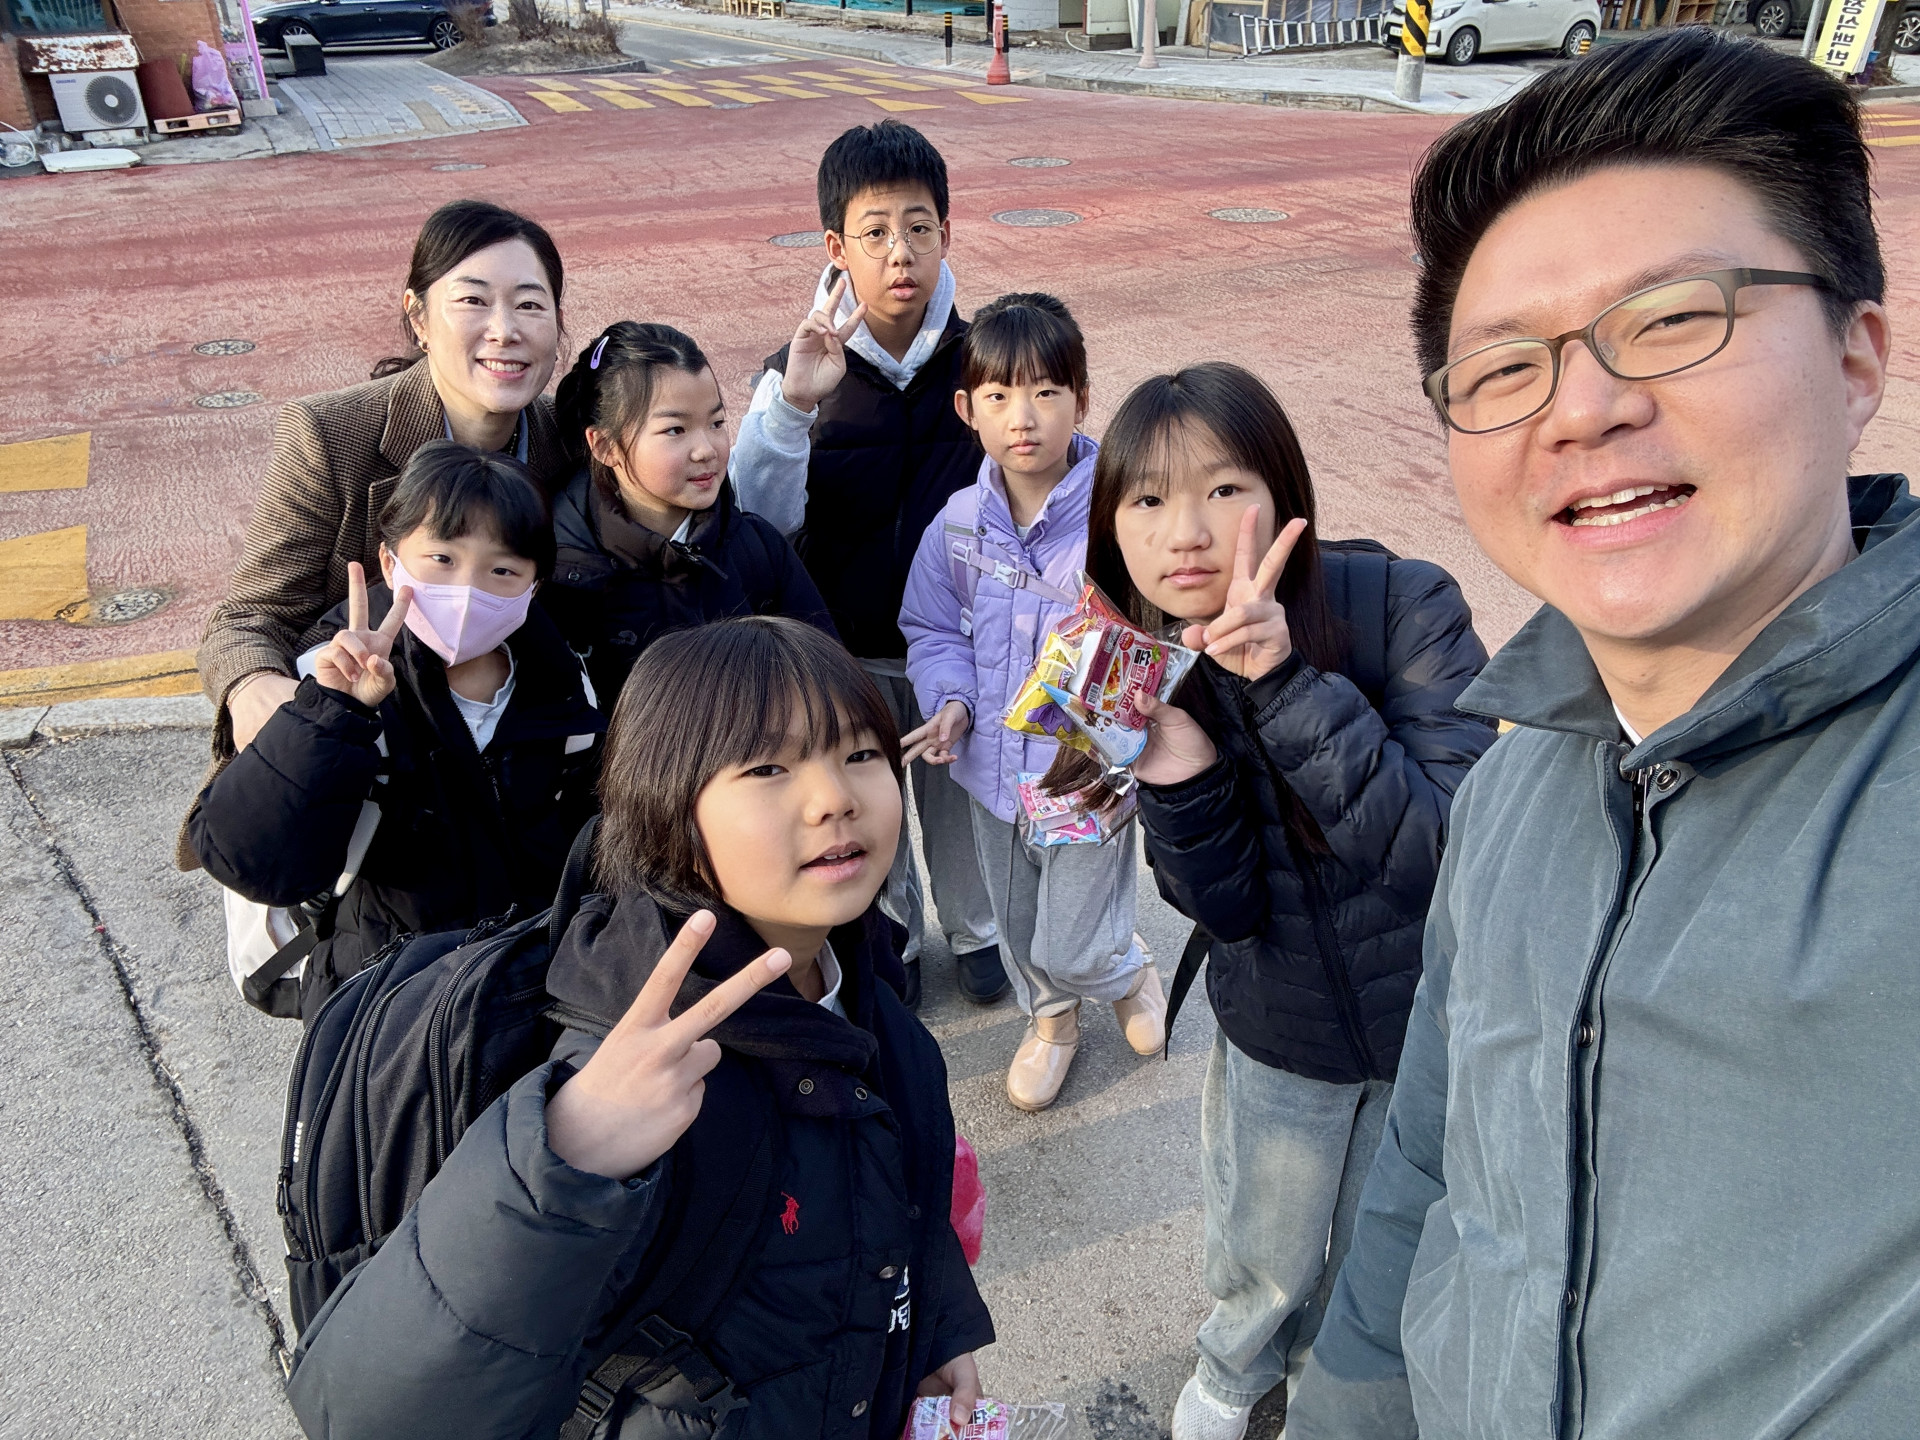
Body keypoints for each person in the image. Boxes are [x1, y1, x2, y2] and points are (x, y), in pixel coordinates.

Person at [1286, 31, 1919, 1440]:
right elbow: (1428, 1164)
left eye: (1677, 317)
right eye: (1504, 368)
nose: (1584, 408)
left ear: (1856, 356)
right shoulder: (1512, 783)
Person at [284, 616, 995, 1440]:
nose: (835, 797)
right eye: (768, 767)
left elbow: (897, 1193)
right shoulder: (621, 1071)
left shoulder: (861, 976)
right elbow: (372, 1417)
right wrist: (564, 1160)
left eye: (860, 753)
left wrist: (930, 1332)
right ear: (669, 816)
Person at [1070, 364, 1492, 1440]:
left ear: (1284, 492)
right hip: (1277, 1024)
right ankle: (1231, 1370)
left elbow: (1448, 852)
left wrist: (1286, 683)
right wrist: (1179, 771)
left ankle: (1325, 1384)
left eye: (1224, 488)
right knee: (1264, 1234)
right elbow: (1224, 910)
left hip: (1424, 1018)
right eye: (1147, 500)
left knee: (1381, 1242)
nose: (1186, 534)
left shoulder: (1404, 604)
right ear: (1111, 529)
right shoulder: (1146, 672)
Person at [188, 441, 603, 1019]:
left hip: (520, 984)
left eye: (502, 570)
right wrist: (334, 712)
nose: (467, 591)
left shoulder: (565, 684)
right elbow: (255, 863)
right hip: (378, 995)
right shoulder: (324, 677)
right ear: (390, 562)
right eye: (442, 559)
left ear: (534, 586)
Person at [733, 118, 998, 1009]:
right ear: (836, 248)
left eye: (919, 228)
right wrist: (791, 408)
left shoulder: (983, 361)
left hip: (959, 645)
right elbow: (758, 516)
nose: (900, 254)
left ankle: (978, 929)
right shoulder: (798, 372)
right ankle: (894, 933)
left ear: (947, 233)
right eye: (875, 232)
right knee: (865, 799)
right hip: (844, 648)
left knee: (959, 796)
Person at [898, 293, 1166, 1109]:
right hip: (989, 776)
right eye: (1000, 394)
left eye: (1047, 391)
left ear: (1082, 400)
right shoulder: (957, 525)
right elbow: (931, 627)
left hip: (1085, 777)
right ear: (967, 410)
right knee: (1017, 925)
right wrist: (952, 702)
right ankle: (1052, 1024)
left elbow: (1159, 629)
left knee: (1074, 940)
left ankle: (1122, 970)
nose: (1024, 417)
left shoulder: (1122, 515)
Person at [195, 199, 570, 767]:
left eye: (529, 305)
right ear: (418, 318)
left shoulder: (569, 442)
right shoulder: (329, 434)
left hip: (515, 753)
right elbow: (249, 617)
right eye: (472, 301)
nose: (505, 330)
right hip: (363, 756)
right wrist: (254, 687)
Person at [542, 321, 834, 703]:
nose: (706, 450)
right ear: (605, 446)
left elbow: (828, 683)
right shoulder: (557, 575)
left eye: (716, 423)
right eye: (675, 430)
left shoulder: (758, 550)